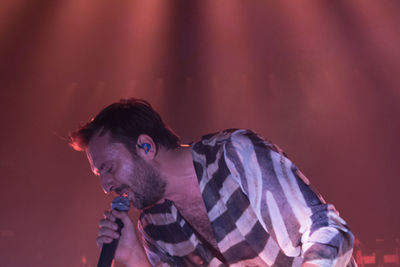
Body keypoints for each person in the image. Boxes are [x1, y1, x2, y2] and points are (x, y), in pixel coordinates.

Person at [69, 98, 356, 267]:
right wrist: (133, 256)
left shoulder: (234, 155)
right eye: (99, 175)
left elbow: (327, 229)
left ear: (145, 147)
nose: (106, 186)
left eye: (108, 168)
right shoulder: (153, 225)